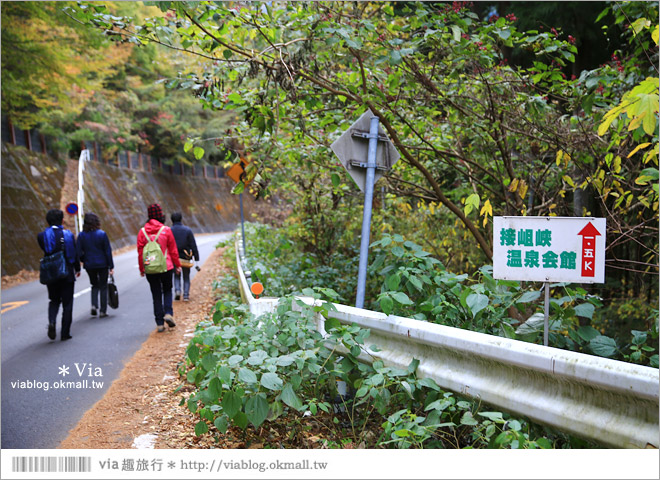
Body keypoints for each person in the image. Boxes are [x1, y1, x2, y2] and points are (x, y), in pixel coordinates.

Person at [37, 209, 81, 341]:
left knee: (54, 300)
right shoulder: (68, 235)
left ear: (47, 221)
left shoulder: (41, 236)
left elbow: (45, 250)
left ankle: (52, 321)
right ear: (62, 220)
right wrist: (77, 268)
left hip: (51, 273)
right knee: (67, 304)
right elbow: (74, 254)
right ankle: (65, 333)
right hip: (66, 272)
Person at [137, 203, 181, 333]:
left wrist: (142, 269)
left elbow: (140, 253)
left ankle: (160, 324)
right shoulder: (166, 230)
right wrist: (177, 265)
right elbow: (173, 250)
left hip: (150, 268)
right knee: (167, 290)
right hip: (166, 266)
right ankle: (168, 312)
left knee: (156, 294)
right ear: (161, 215)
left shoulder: (142, 232)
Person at [77, 212, 114, 318]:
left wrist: (84, 260)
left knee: (94, 285)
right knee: (103, 286)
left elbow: (79, 252)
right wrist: (111, 266)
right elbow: (107, 251)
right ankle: (103, 311)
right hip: (102, 264)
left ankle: (94, 305)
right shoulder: (102, 234)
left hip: (89, 265)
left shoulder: (81, 235)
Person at [170, 212, 200, 302]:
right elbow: (193, 245)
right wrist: (196, 259)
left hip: (174, 257)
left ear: (172, 220)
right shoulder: (187, 230)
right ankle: (186, 295)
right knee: (186, 276)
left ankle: (178, 291)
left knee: (176, 275)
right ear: (181, 219)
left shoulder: (169, 231)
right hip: (186, 258)